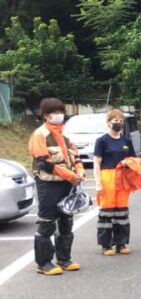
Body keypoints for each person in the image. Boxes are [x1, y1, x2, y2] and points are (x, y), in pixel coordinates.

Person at [28, 97, 84, 275]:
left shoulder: (64, 136)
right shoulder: (39, 135)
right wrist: (70, 175)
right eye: (55, 113)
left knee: (66, 221)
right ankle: (43, 263)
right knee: (46, 223)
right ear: (45, 115)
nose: (59, 115)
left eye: (61, 112)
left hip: (66, 185)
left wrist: (80, 171)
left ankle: (64, 259)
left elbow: (75, 157)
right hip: (48, 184)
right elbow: (44, 164)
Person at [94, 109, 136, 256]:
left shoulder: (126, 141)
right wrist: (98, 183)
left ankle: (121, 243)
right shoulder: (102, 141)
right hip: (107, 177)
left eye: (121, 121)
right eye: (115, 121)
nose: (118, 124)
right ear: (108, 122)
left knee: (122, 212)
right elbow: (97, 163)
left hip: (123, 178)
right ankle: (106, 245)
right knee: (106, 212)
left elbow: (133, 160)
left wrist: (130, 170)